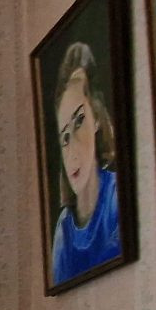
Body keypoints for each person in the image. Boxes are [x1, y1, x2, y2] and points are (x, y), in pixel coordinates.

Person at [49, 41, 124, 285]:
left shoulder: (118, 198)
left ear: (97, 119)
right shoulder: (64, 230)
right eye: (64, 138)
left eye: (79, 120)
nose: (72, 152)